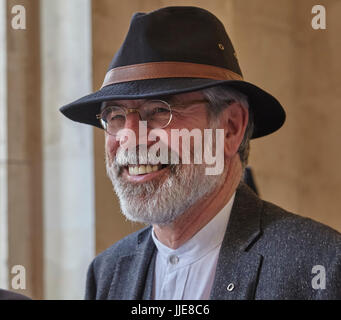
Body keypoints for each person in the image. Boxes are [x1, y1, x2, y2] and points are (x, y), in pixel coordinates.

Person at [60, 6, 341, 300]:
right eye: (114, 115)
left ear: (230, 128)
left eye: (158, 110)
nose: (130, 138)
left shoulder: (319, 266)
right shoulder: (107, 273)